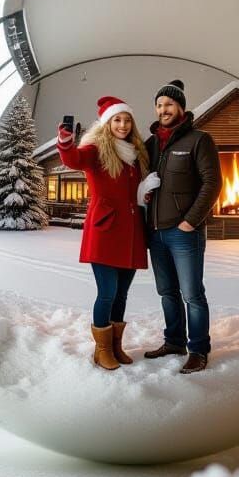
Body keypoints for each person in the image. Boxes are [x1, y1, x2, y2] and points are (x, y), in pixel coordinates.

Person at [57, 96, 150, 371]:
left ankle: (115, 346)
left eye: (126, 120)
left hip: (132, 233)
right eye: (117, 120)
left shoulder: (136, 154)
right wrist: (64, 142)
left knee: (121, 295)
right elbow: (73, 158)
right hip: (106, 230)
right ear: (107, 123)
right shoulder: (95, 149)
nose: (122, 125)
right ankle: (102, 350)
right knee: (107, 292)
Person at [142, 79, 223, 374]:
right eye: (159, 105)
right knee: (167, 292)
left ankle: (198, 349)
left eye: (169, 104)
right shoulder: (150, 144)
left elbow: (212, 183)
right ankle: (174, 341)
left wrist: (191, 220)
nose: (163, 109)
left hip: (184, 232)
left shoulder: (199, 140)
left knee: (192, 293)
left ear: (181, 108)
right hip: (155, 231)